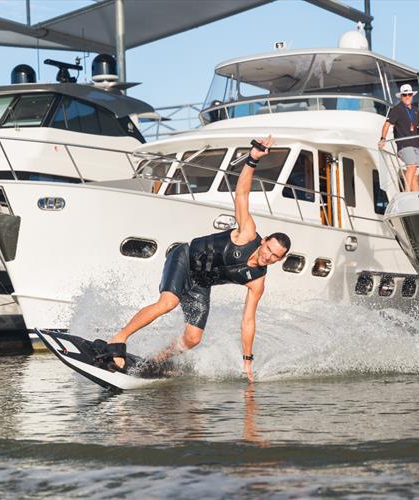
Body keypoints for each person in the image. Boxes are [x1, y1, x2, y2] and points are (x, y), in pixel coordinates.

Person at [97, 136, 291, 383]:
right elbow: (241, 194)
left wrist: (247, 360)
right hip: (184, 259)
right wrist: (252, 159)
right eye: (269, 249)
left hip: (201, 284)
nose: (268, 256)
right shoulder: (247, 234)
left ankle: (157, 361)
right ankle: (119, 338)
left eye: (275, 256)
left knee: (193, 338)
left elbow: (248, 321)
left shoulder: (257, 281)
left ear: (279, 260)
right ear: (264, 241)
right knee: (168, 302)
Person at [378, 84, 419, 191]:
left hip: (415, 147)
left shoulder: (415, 110)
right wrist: (383, 139)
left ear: (412, 96)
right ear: (401, 96)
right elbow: (387, 124)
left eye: (409, 94)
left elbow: (418, 127)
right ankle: (406, 192)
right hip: (405, 146)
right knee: (412, 166)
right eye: (405, 95)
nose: (407, 97)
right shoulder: (397, 109)